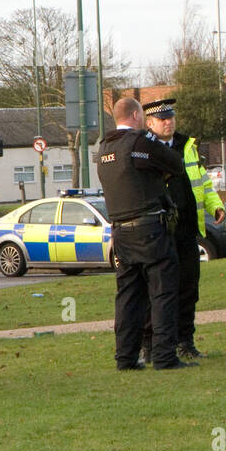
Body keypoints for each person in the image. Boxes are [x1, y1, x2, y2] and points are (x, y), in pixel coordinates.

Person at [96, 97, 189, 370]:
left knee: (127, 296)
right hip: (149, 229)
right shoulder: (139, 143)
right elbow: (175, 163)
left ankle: (125, 357)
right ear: (137, 115)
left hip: (120, 233)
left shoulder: (104, 149)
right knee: (162, 292)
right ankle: (163, 356)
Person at [139, 99, 224, 360]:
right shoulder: (144, 148)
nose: (169, 122)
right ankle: (151, 345)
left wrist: (215, 206)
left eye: (171, 117)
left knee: (189, 289)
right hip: (160, 231)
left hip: (187, 229)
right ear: (150, 124)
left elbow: (203, 183)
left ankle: (185, 342)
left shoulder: (187, 146)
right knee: (158, 291)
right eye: (163, 119)